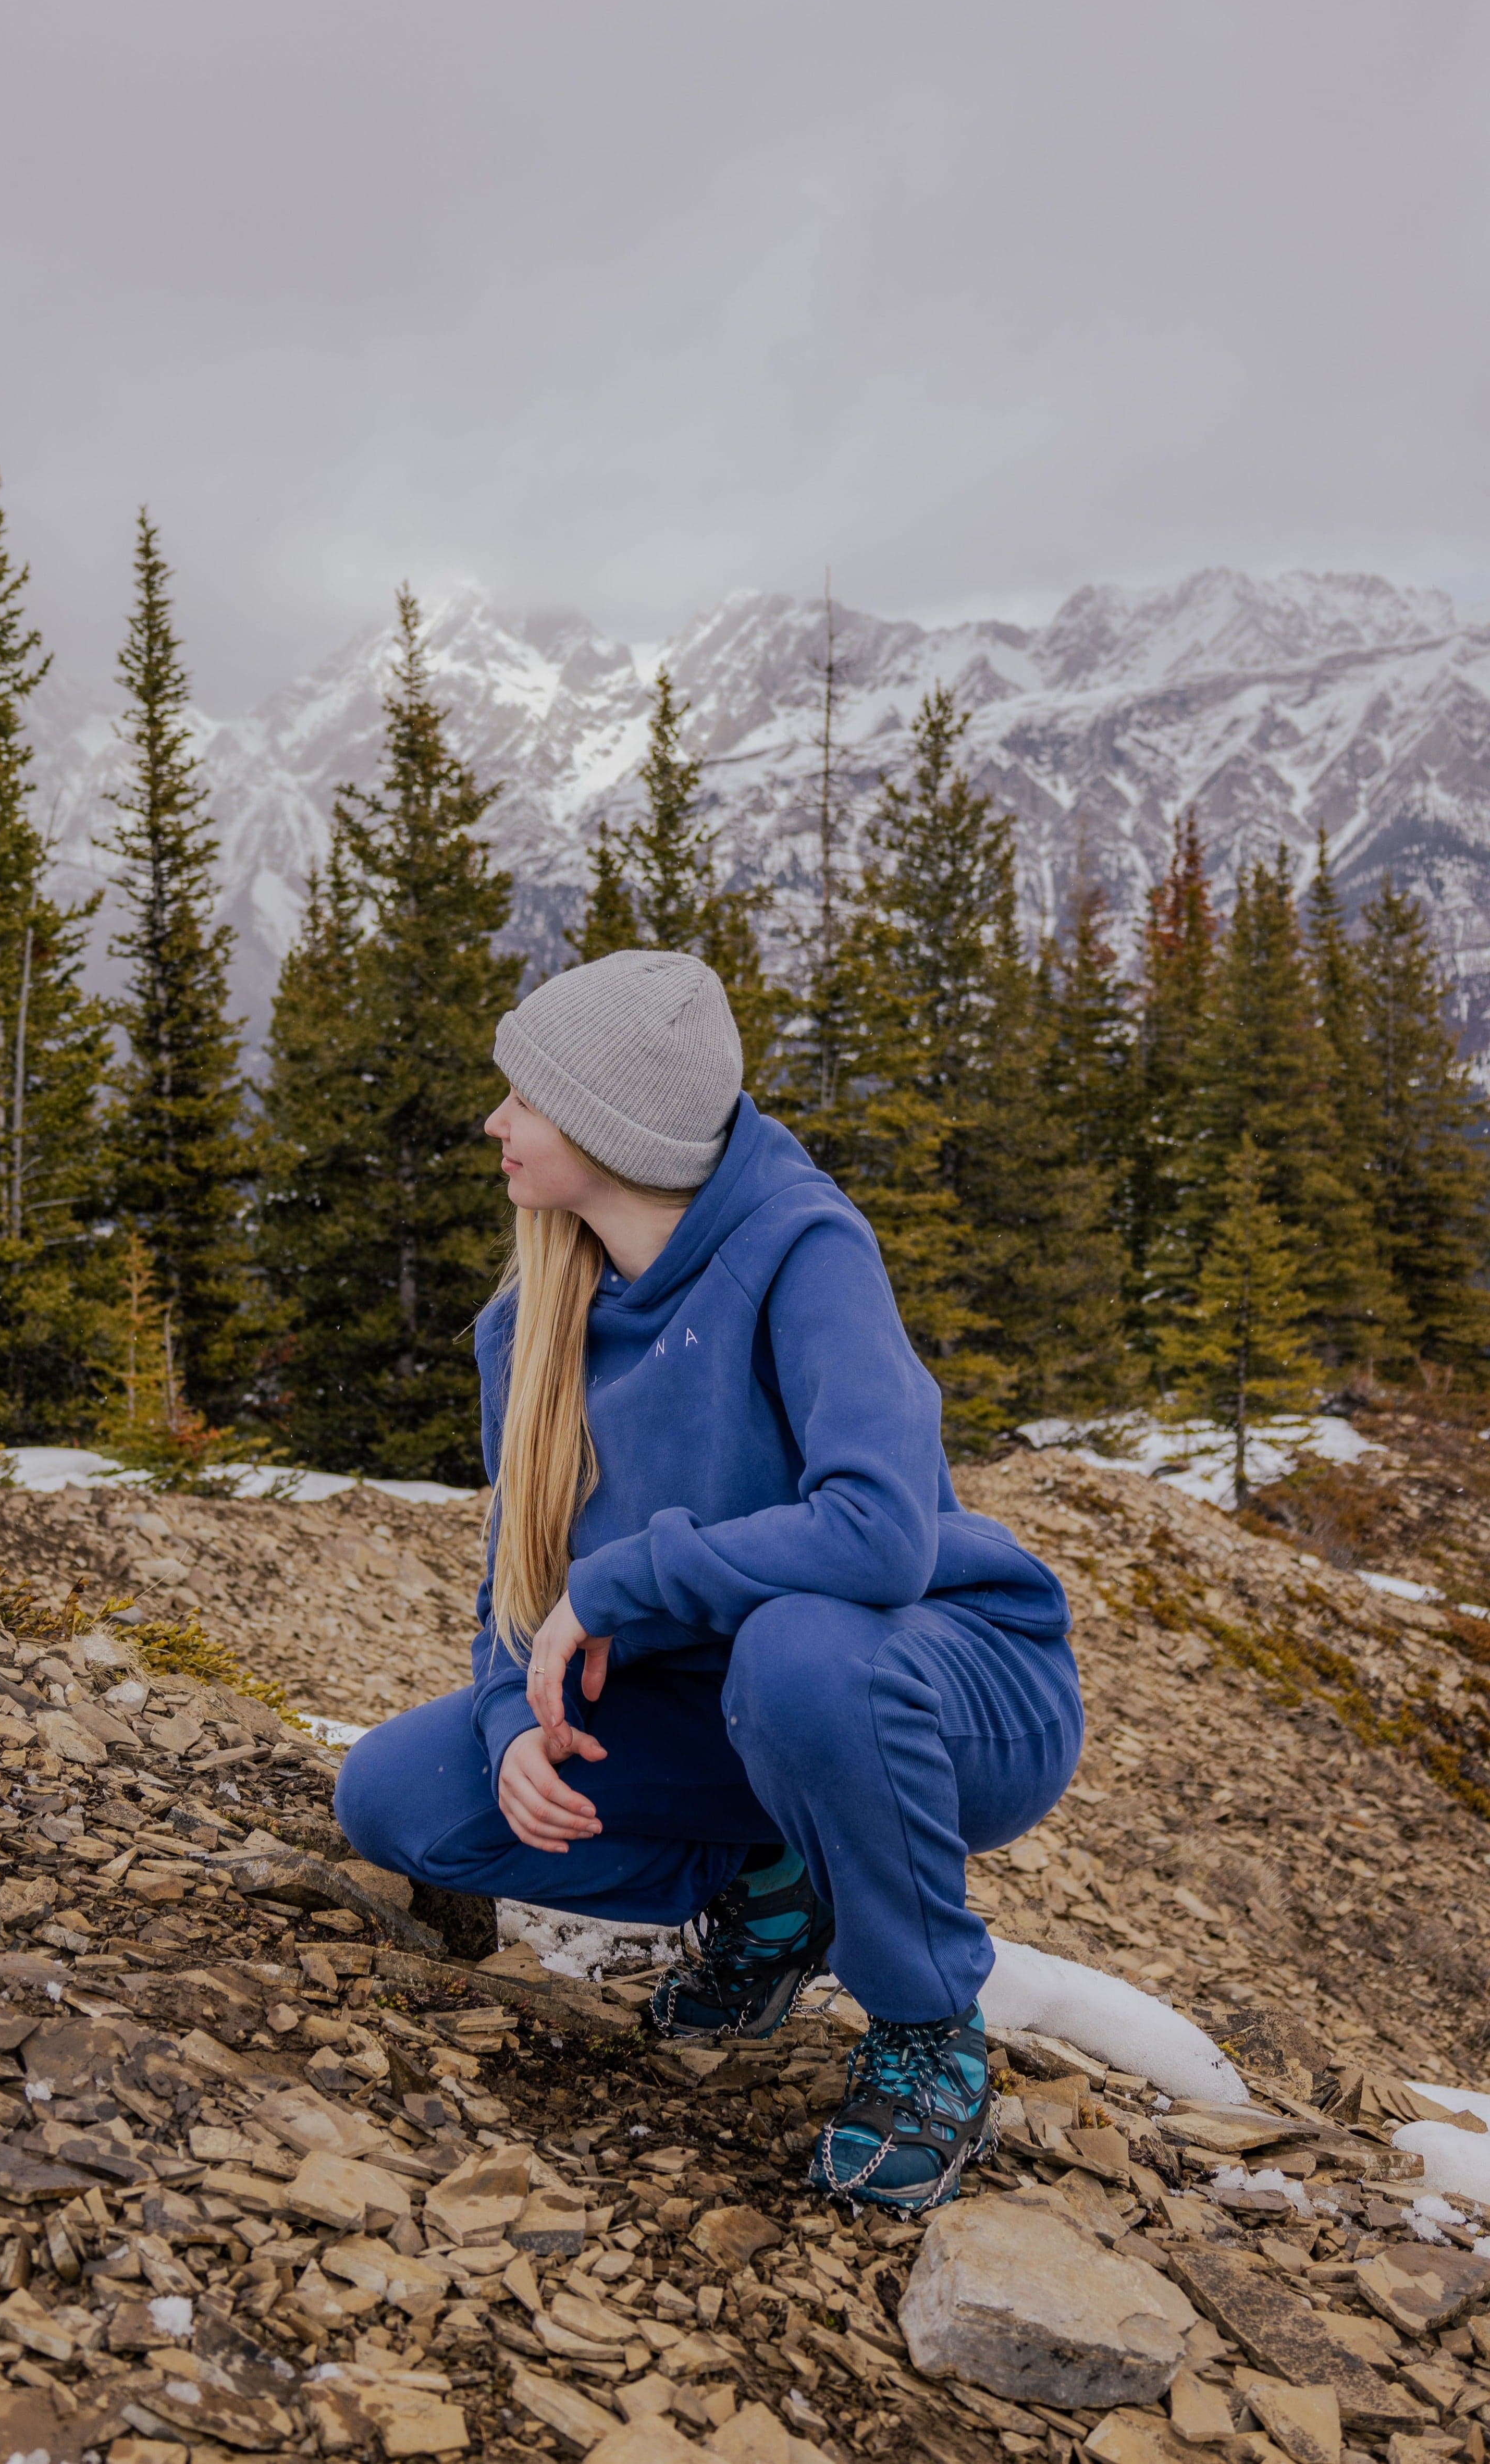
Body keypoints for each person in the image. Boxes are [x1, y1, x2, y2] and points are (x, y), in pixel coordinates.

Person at [335, 948, 1083, 2214]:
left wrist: (630, 1578)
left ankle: (923, 2029)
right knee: (399, 1795)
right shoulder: (528, 1326)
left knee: (797, 1649)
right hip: (737, 1716)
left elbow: (881, 1537)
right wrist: (516, 1718)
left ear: (611, 1124)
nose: (495, 1121)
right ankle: (774, 1883)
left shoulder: (803, 1247)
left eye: (526, 1094)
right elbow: (517, 1595)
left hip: (946, 1687)